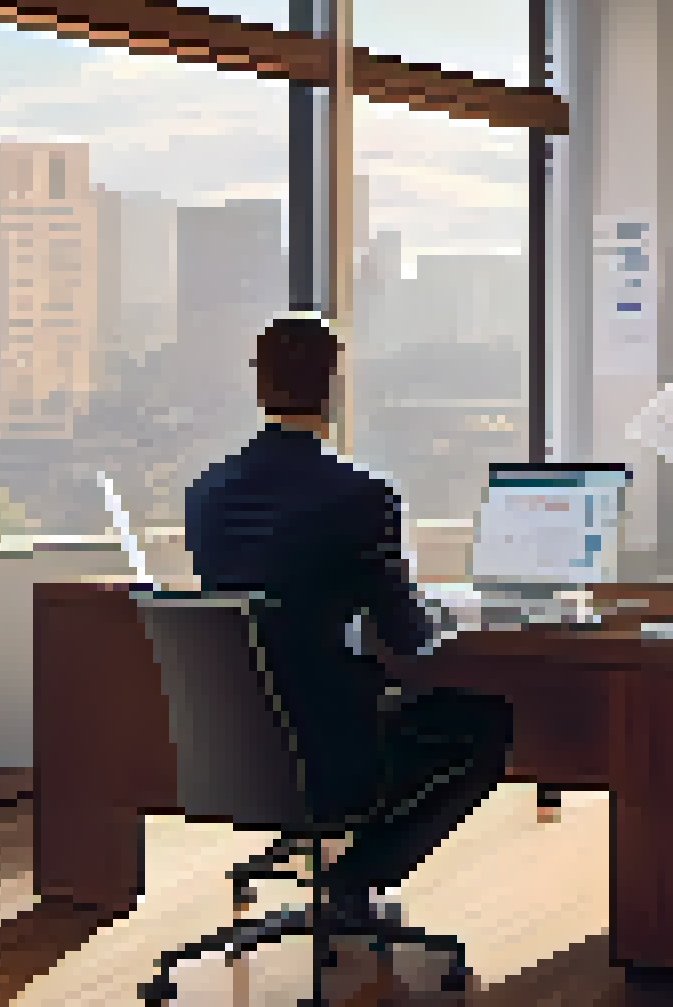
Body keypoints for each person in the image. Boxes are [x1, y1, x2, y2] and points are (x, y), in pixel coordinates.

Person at [185, 316, 514, 927]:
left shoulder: (208, 491)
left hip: (234, 744)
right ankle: (354, 880)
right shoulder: (360, 495)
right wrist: (443, 613)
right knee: (485, 725)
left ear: (258, 385)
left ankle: (341, 869)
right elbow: (406, 638)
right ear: (335, 386)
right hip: (330, 745)